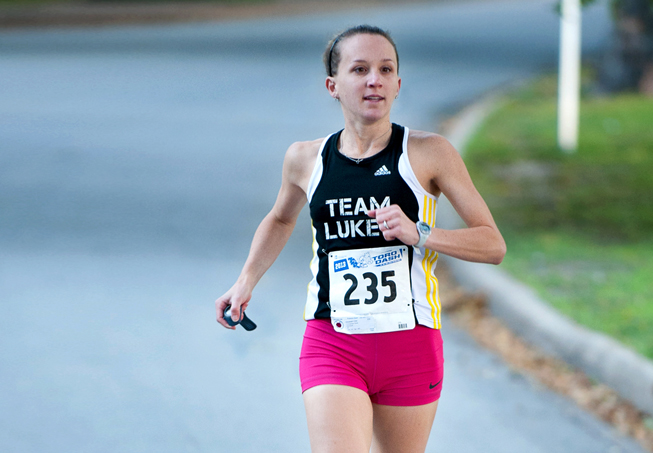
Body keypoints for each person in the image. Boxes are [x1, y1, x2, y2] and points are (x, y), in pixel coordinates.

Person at [215, 24, 506, 453]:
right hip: (332, 341)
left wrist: (419, 232)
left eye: (386, 70)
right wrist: (245, 281)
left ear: (398, 84)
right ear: (333, 86)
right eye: (360, 69)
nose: (375, 80)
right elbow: (279, 220)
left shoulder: (428, 153)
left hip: (410, 344)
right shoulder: (305, 159)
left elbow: (492, 244)